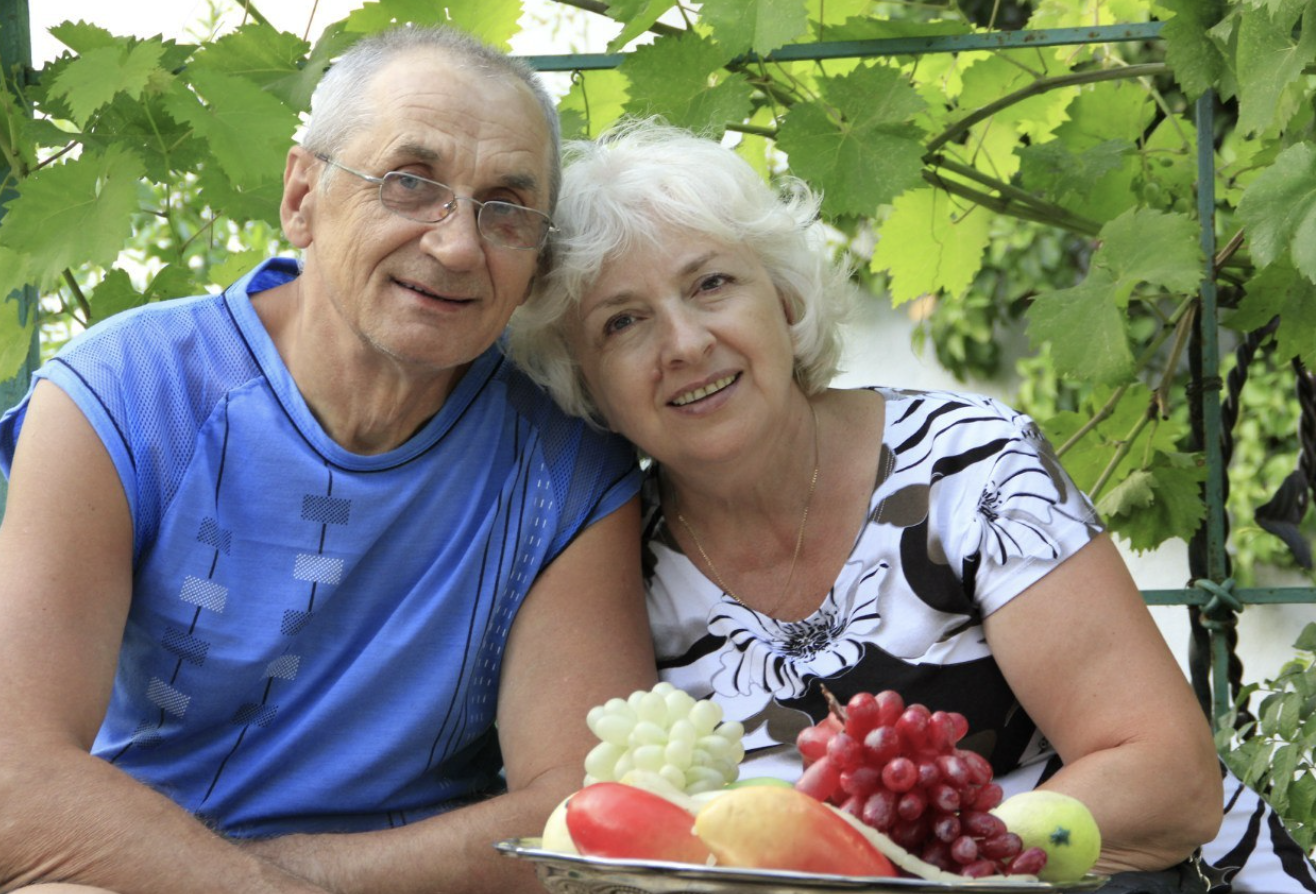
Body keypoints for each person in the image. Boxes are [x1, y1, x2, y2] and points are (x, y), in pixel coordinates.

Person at [507, 119, 1316, 893]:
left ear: (786, 302)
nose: (684, 343)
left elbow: (1166, 780)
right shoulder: (608, 562)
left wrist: (883, 870)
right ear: (589, 387)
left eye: (711, 283)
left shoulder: (969, 464)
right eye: (624, 323)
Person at [0, 26, 657, 894]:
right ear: (302, 195)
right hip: (130, 873)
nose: (458, 245)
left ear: (534, 266)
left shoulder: (567, 465)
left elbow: (581, 811)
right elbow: (15, 774)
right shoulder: (129, 391)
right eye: (409, 183)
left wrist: (299, 878)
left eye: (505, 207)